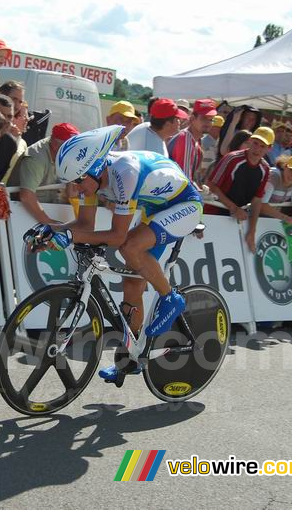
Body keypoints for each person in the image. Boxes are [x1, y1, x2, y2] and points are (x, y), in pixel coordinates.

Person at [27, 125, 203, 383]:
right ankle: (129, 361)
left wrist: (69, 237)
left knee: (129, 247)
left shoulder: (125, 173)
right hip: (156, 210)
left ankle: (171, 299)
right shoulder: (94, 180)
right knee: (131, 284)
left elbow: (117, 237)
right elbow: (85, 226)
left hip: (184, 205)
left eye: (78, 181)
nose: (75, 189)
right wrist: (52, 232)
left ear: (95, 169)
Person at [206, 127, 273, 252]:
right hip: (214, 215)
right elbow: (211, 185)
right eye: (255, 143)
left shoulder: (265, 168)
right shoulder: (232, 158)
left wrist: (252, 231)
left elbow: (257, 200)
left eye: (262, 146)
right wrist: (234, 208)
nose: (257, 149)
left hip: (237, 220)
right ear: (250, 141)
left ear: (269, 149)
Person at [17, 123, 80, 223]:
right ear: (55, 144)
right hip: (22, 216)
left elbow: (72, 193)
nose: (74, 151)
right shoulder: (36, 158)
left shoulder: (63, 154)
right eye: (70, 147)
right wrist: (49, 224)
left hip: (43, 212)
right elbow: (26, 196)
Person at [167, 99, 216, 186]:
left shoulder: (196, 140)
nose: (208, 123)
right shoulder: (186, 139)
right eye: (204, 118)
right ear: (193, 118)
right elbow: (184, 182)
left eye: (211, 119)